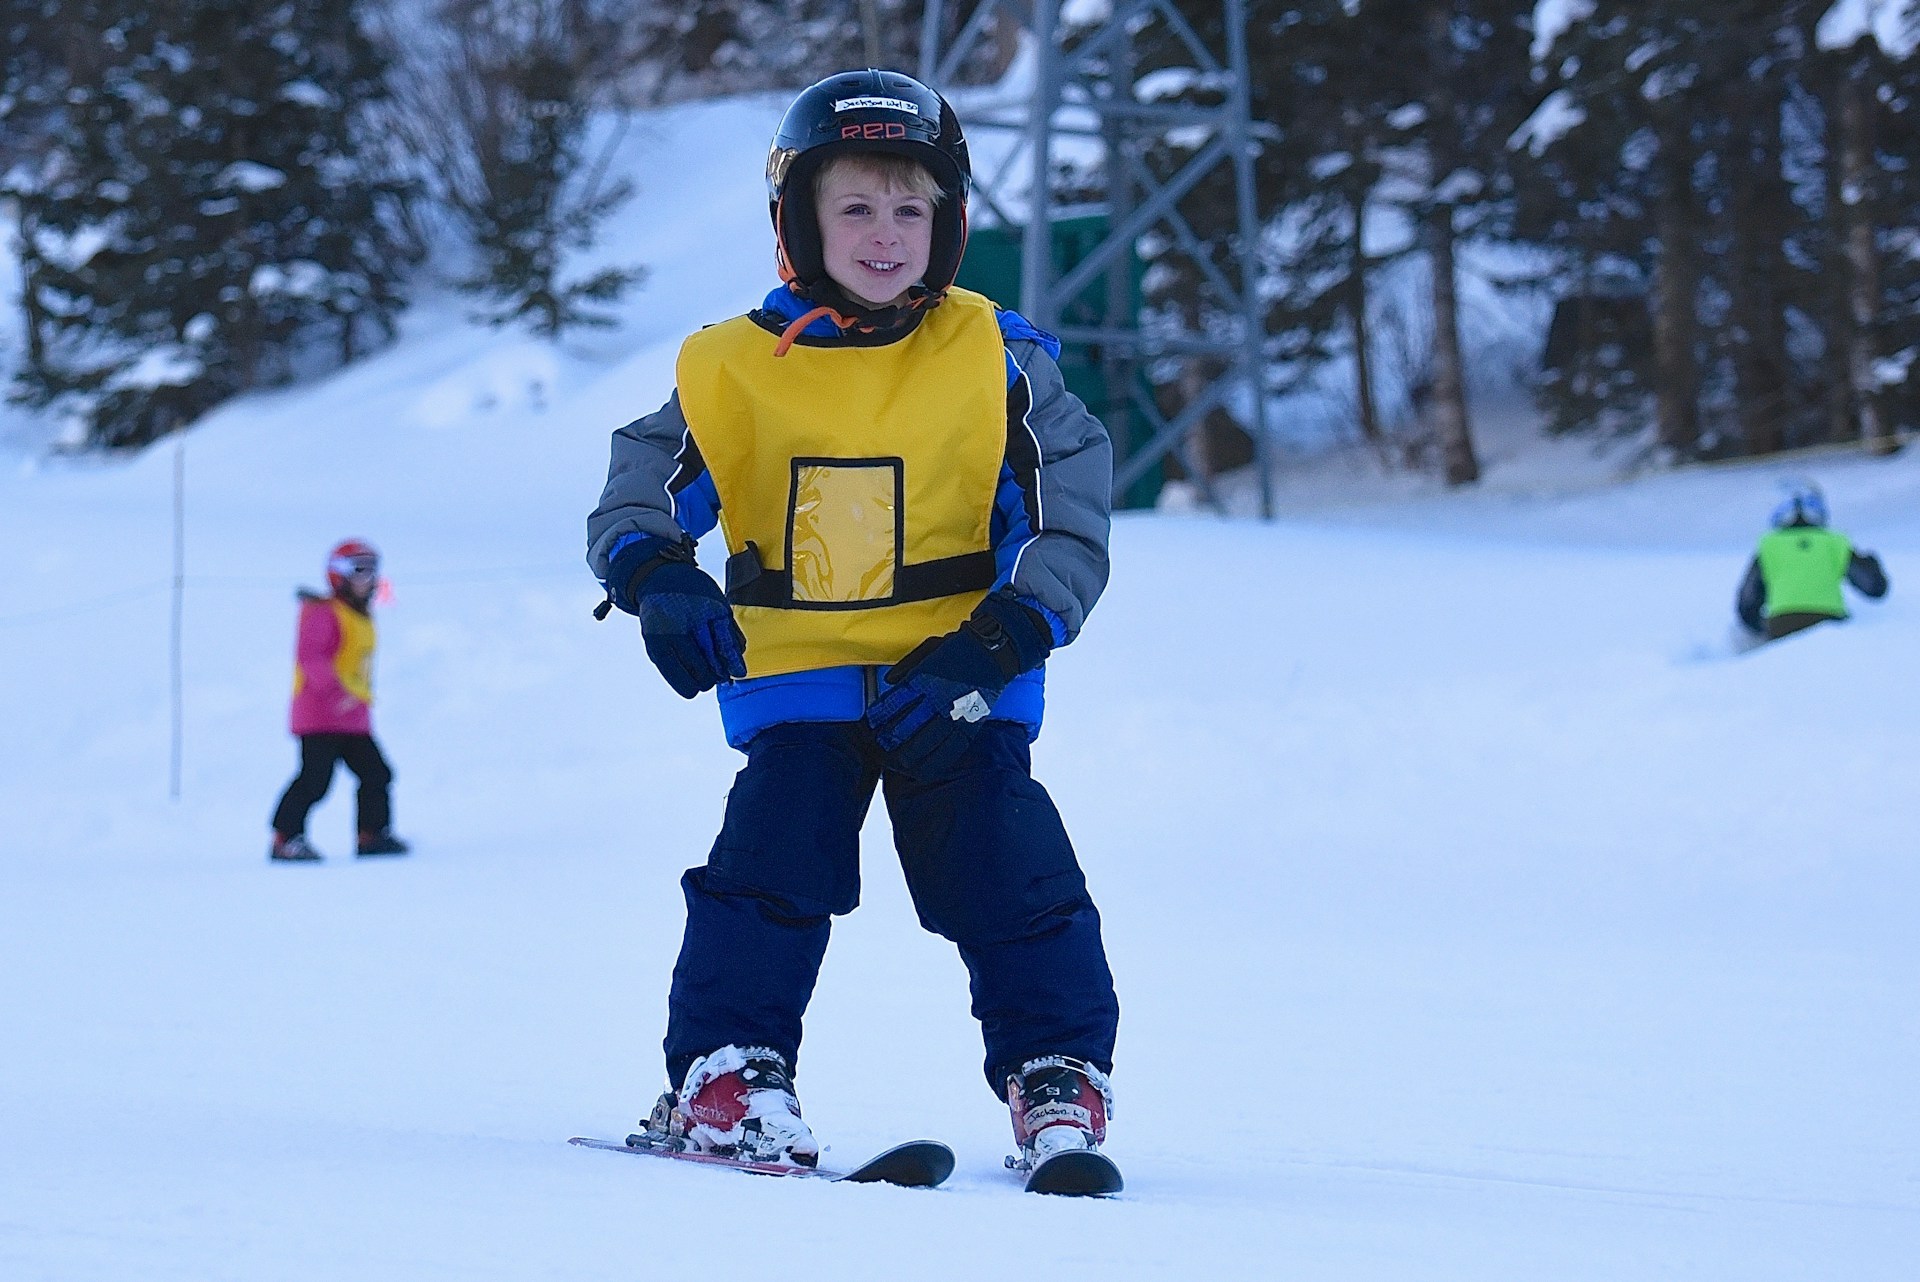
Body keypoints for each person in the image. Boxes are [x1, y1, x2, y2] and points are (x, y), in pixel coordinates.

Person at [586, 69, 1120, 1173]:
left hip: (955, 674)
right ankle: (728, 1081)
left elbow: (1077, 502)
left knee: (1004, 859)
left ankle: (1056, 1076)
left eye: (910, 209)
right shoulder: (730, 367)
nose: (886, 235)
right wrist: (656, 572)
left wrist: (1016, 625)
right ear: (798, 223)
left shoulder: (995, 357)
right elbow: (641, 479)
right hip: (802, 679)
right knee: (773, 859)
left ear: (950, 221)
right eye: (856, 208)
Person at [269, 539, 410, 862]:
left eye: (373, 571)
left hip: (352, 720)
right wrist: (336, 695)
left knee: (377, 773)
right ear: (339, 576)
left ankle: (372, 834)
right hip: (320, 716)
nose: (368, 579)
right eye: (359, 571)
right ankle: (285, 838)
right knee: (315, 780)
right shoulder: (322, 612)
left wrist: (354, 701)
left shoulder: (360, 616)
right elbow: (312, 659)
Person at [1736, 484, 1889, 641]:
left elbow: (1747, 603)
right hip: (1830, 620)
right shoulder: (1834, 542)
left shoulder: (1769, 545)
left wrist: (1761, 627)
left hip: (1781, 624)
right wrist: (1871, 564)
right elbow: (1874, 588)